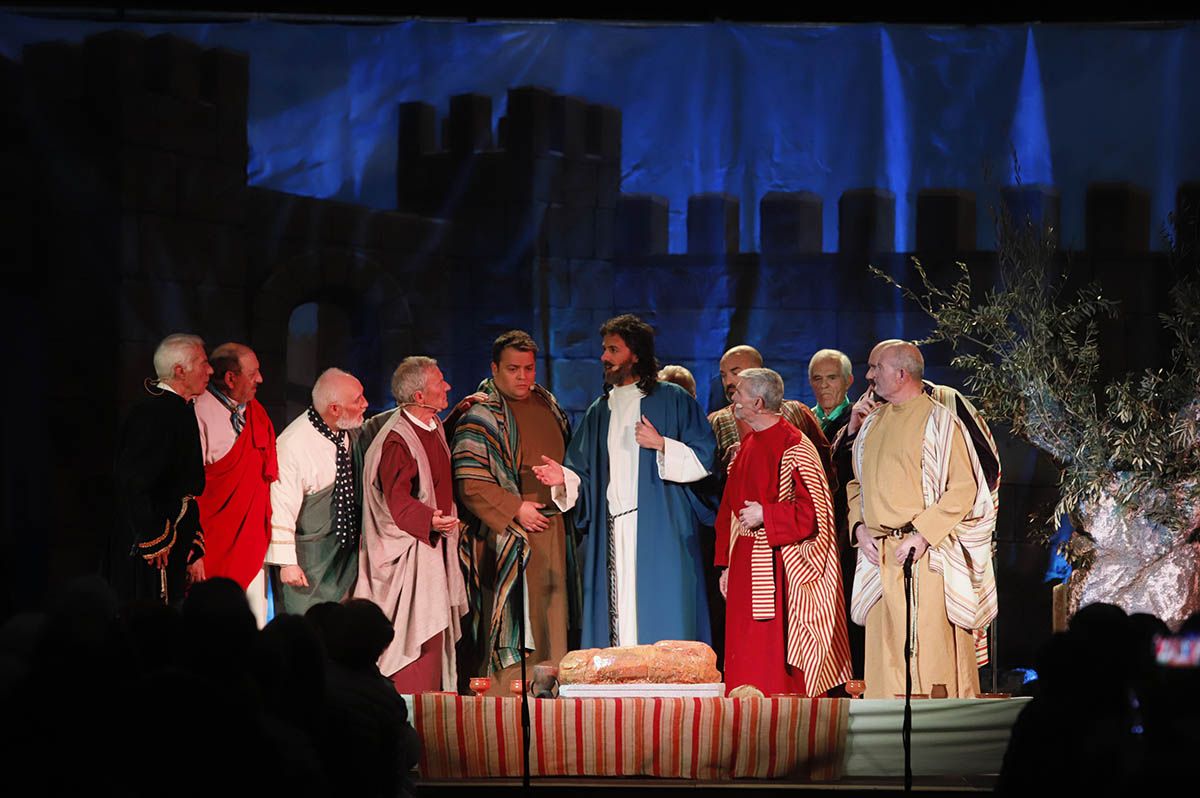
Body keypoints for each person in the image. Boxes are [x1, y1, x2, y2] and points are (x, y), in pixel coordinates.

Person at [533, 314, 715, 648]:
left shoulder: (674, 399)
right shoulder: (600, 411)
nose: (604, 357)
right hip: (612, 532)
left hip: (661, 531)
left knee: (664, 616)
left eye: (613, 349)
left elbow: (705, 459)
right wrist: (566, 477)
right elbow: (583, 472)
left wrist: (662, 444)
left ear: (636, 354)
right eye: (604, 349)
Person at [833, 338, 1001, 675]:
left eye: (875, 367)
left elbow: (964, 488)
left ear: (900, 374)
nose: (869, 376)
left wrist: (922, 536)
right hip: (879, 556)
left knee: (928, 661)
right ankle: (887, 727)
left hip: (924, 556)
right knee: (885, 664)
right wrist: (859, 527)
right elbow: (856, 483)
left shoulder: (941, 421)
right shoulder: (872, 424)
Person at [452, 331, 578, 689]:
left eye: (529, 368)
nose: (523, 376)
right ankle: (505, 711)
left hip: (553, 529)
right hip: (506, 537)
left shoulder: (548, 405)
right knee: (514, 629)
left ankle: (550, 704)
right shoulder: (480, 415)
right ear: (494, 369)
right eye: (513, 369)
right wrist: (515, 508)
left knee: (552, 625)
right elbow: (470, 482)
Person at [716, 368, 852, 696]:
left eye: (740, 393)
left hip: (780, 570)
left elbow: (815, 514)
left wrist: (768, 514)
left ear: (758, 402)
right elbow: (728, 510)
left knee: (773, 661)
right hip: (744, 565)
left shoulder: (795, 446)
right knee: (743, 653)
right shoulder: (748, 442)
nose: (733, 398)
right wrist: (726, 564)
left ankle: (783, 729)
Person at [355, 357, 469, 693]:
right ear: (419, 397)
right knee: (419, 636)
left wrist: (458, 413)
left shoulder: (429, 424)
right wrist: (429, 519)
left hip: (431, 543)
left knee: (434, 635)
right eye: (440, 382)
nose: (447, 386)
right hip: (411, 553)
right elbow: (397, 499)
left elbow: (432, 449)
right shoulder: (396, 442)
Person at [111, 333, 212, 606]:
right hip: (156, 545)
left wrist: (193, 538)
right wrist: (153, 535)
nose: (210, 370)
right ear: (180, 370)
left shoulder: (182, 408)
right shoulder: (152, 413)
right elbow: (133, 480)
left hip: (177, 536)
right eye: (203, 363)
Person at [268, 368, 368, 614]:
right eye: (358, 400)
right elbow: (281, 507)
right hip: (310, 559)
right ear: (334, 409)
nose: (366, 404)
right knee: (307, 625)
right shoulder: (293, 445)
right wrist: (287, 563)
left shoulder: (348, 430)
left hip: (344, 555)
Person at [193, 343, 277, 627]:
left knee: (251, 621)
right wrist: (194, 551)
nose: (260, 379)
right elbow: (192, 488)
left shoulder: (257, 413)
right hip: (213, 542)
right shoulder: (198, 411)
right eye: (253, 373)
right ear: (230, 378)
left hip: (251, 540)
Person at [709, 345, 833, 486]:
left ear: (759, 373)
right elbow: (709, 477)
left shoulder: (795, 411)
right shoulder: (718, 420)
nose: (728, 382)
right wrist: (726, 463)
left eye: (735, 373)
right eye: (723, 375)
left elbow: (823, 462)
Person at [808, 348, 854, 440]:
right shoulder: (803, 422)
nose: (823, 385)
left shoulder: (858, 421)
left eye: (832, 378)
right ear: (810, 382)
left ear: (848, 381)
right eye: (817, 378)